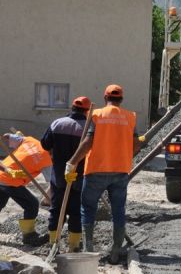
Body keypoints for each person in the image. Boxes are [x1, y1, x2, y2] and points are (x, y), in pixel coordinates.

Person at [67, 85, 141, 263]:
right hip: (120, 171)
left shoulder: (97, 114)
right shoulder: (130, 116)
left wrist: (72, 162)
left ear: (105, 97)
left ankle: (89, 250)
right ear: (121, 99)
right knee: (118, 210)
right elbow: (137, 144)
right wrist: (124, 155)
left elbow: (88, 141)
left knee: (88, 208)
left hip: (96, 170)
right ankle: (115, 251)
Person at [41, 96, 91, 252]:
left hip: (59, 176)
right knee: (76, 211)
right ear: (87, 110)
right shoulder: (89, 128)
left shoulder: (57, 123)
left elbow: (45, 144)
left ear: (72, 107)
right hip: (79, 176)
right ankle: (74, 246)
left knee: (56, 210)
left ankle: (53, 244)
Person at [0, 133, 52, 244]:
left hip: (7, 177)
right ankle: (29, 236)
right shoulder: (47, 161)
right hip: (8, 180)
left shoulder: (31, 140)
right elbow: (53, 182)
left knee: (28, 203)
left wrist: (8, 136)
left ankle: (29, 235)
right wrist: (51, 200)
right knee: (31, 204)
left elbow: (10, 137)